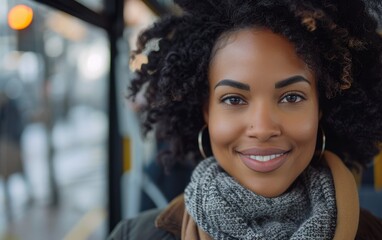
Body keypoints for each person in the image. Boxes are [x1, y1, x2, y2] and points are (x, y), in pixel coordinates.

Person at [109, 0, 382, 239]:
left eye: (291, 97)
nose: (262, 129)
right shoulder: (132, 236)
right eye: (233, 99)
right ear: (206, 112)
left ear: (320, 109)